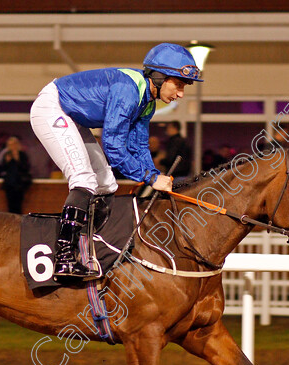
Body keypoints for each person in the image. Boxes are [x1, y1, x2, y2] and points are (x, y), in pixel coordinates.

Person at [30, 43, 194, 278]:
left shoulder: (147, 102)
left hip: (73, 117)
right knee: (84, 180)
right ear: (159, 77)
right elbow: (114, 148)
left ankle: (89, 249)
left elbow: (138, 146)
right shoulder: (127, 91)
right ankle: (63, 257)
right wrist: (149, 178)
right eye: (178, 85)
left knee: (107, 184)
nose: (180, 94)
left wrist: (154, 175)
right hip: (53, 108)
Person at [0, 136, 32, 214]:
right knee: (10, 205)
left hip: (19, 184)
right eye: (10, 145)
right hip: (10, 183)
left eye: (13, 144)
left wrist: (17, 159)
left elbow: (25, 168)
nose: (12, 146)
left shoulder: (22, 155)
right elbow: (2, 169)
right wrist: (7, 161)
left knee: (18, 204)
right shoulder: (7, 155)